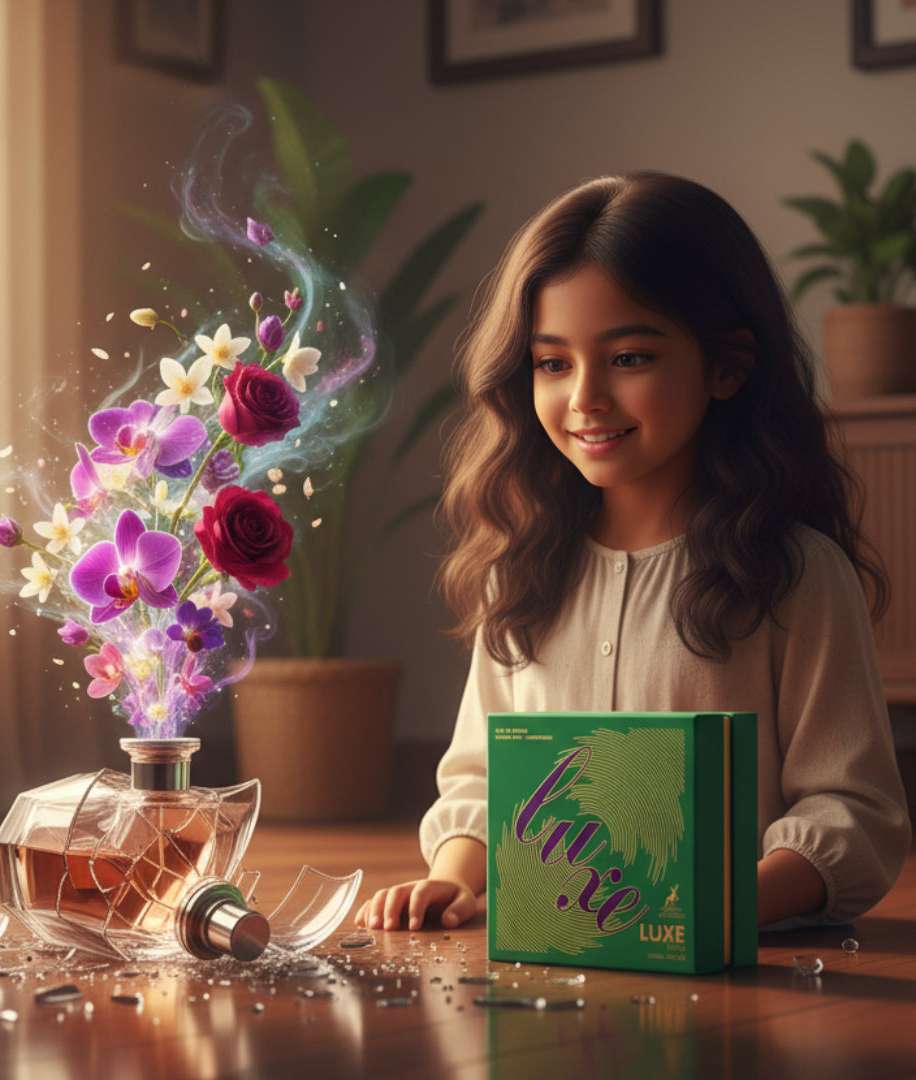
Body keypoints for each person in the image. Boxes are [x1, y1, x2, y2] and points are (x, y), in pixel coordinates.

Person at [355, 172, 911, 934]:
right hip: (547, 973)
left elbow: (853, 813)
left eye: (628, 358)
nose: (585, 397)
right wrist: (452, 878)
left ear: (728, 366)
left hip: (740, 986)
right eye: (553, 363)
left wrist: (718, 905)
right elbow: (485, 781)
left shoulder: (797, 575)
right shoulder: (523, 570)